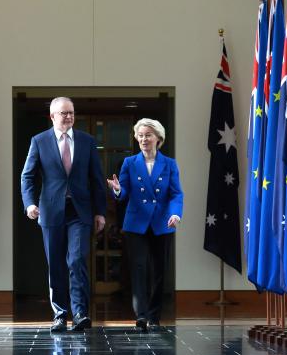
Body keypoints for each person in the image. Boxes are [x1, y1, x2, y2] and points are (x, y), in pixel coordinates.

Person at [21, 97, 106, 332]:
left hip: (80, 211)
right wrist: (29, 204)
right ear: (52, 116)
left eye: (71, 112)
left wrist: (100, 212)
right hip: (50, 211)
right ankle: (59, 314)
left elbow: (97, 179)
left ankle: (80, 313)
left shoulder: (87, 141)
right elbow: (27, 176)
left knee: (77, 259)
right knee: (56, 263)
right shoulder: (39, 141)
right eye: (63, 113)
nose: (68, 117)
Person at [107, 118, 183, 332]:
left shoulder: (169, 164)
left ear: (158, 138)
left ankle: (154, 316)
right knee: (139, 269)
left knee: (159, 270)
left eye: (147, 135)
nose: (143, 139)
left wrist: (175, 214)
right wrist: (117, 190)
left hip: (162, 223)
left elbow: (176, 194)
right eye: (140, 136)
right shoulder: (130, 163)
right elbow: (123, 194)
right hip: (136, 223)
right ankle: (140, 315)